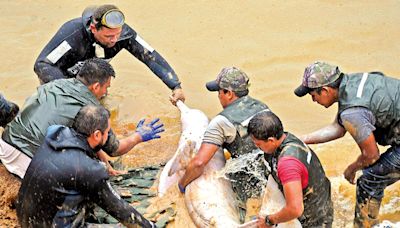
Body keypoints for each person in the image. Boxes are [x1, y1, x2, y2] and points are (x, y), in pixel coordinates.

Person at [1, 58, 164, 179]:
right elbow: (115, 149)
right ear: (95, 86)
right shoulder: (92, 109)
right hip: (32, 166)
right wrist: (139, 136)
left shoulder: (54, 84)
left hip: (6, 147)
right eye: (106, 87)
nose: (105, 93)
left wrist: (101, 156)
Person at [294, 61, 400, 227]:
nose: (313, 100)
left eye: (313, 95)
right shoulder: (354, 83)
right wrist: (300, 139)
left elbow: (371, 155)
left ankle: (364, 226)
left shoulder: (352, 111)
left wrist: (351, 169)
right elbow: (337, 128)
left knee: (370, 179)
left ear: (325, 90)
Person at [17, 104, 155, 228]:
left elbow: (89, 149)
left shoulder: (55, 132)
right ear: (96, 135)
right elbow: (122, 211)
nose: (108, 136)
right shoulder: (87, 170)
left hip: (25, 218)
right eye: (107, 132)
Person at [34, 4, 184, 105]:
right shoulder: (72, 34)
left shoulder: (123, 34)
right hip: (61, 81)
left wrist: (175, 86)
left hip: (93, 81)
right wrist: (72, 94)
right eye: (108, 37)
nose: (115, 40)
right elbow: (42, 64)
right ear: (93, 28)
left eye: (117, 34)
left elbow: (151, 57)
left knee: (101, 115)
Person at [178, 67, 270, 222]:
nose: (218, 96)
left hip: (246, 182)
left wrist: (182, 185)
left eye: (219, 92)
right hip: (271, 175)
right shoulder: (263, 107)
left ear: (228, 93)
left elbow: (199, 163)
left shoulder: (221, 122)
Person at [248, 111, 333, 227]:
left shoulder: (287, 164)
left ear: (271, 140)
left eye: (258, 145)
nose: (258, 148)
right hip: (321, 200)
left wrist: (269, 220)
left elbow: (295, 209)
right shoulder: (287, 138)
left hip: (314, 219)